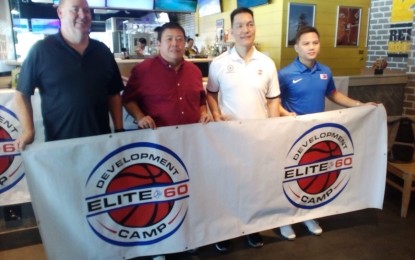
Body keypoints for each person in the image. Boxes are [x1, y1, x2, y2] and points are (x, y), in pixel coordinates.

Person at [122, 21, 210, 260]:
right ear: (158, 43)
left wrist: (203, 111)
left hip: (191, 144)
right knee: (160, 194)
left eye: (180, 39)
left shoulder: (193, 71)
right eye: (169, 39)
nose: (175, 44)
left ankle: (189, 237)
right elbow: (128, 100)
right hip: (158, 146)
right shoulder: (142, 71)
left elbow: (201, 99)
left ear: (185, 43)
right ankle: (160, 244)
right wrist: (140, 116)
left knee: (189, 191)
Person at [278, 26, 375, 240]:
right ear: (296, 48)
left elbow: (333, 94)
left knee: (313, 176)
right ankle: (286, 219)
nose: (311, 47)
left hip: (318, 136)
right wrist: (286, 114)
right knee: (290, 178)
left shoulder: (325, 71)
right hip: (291, 137)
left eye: (315, 42)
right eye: (306, 43)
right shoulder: (284, 74)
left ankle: (308, 215)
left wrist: (359, 105)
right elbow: (273, 103)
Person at [206, 7, 280, 252]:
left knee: (254, 185)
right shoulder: (218, 63)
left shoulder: (267, 63)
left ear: (254, 27)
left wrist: (272, 128)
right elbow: (211, 94)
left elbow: (273, 100)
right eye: (239, 25)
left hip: (258, 138)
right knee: (227, 184)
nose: (245, 30)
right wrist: (216, 115)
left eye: (249, 24)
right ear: (231, 31)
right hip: (228, 138)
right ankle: (225, 230)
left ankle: (252, 228)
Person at [14, 0, 124, 150]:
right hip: (60, 145)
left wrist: (119, 130)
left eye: (86, 10)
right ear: (60, 13)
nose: (83, 15)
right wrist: (28, 130)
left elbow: (113, 94)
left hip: (101, 144)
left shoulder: (103, 51)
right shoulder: (41, 50)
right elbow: (21, 94)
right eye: (75, 10)